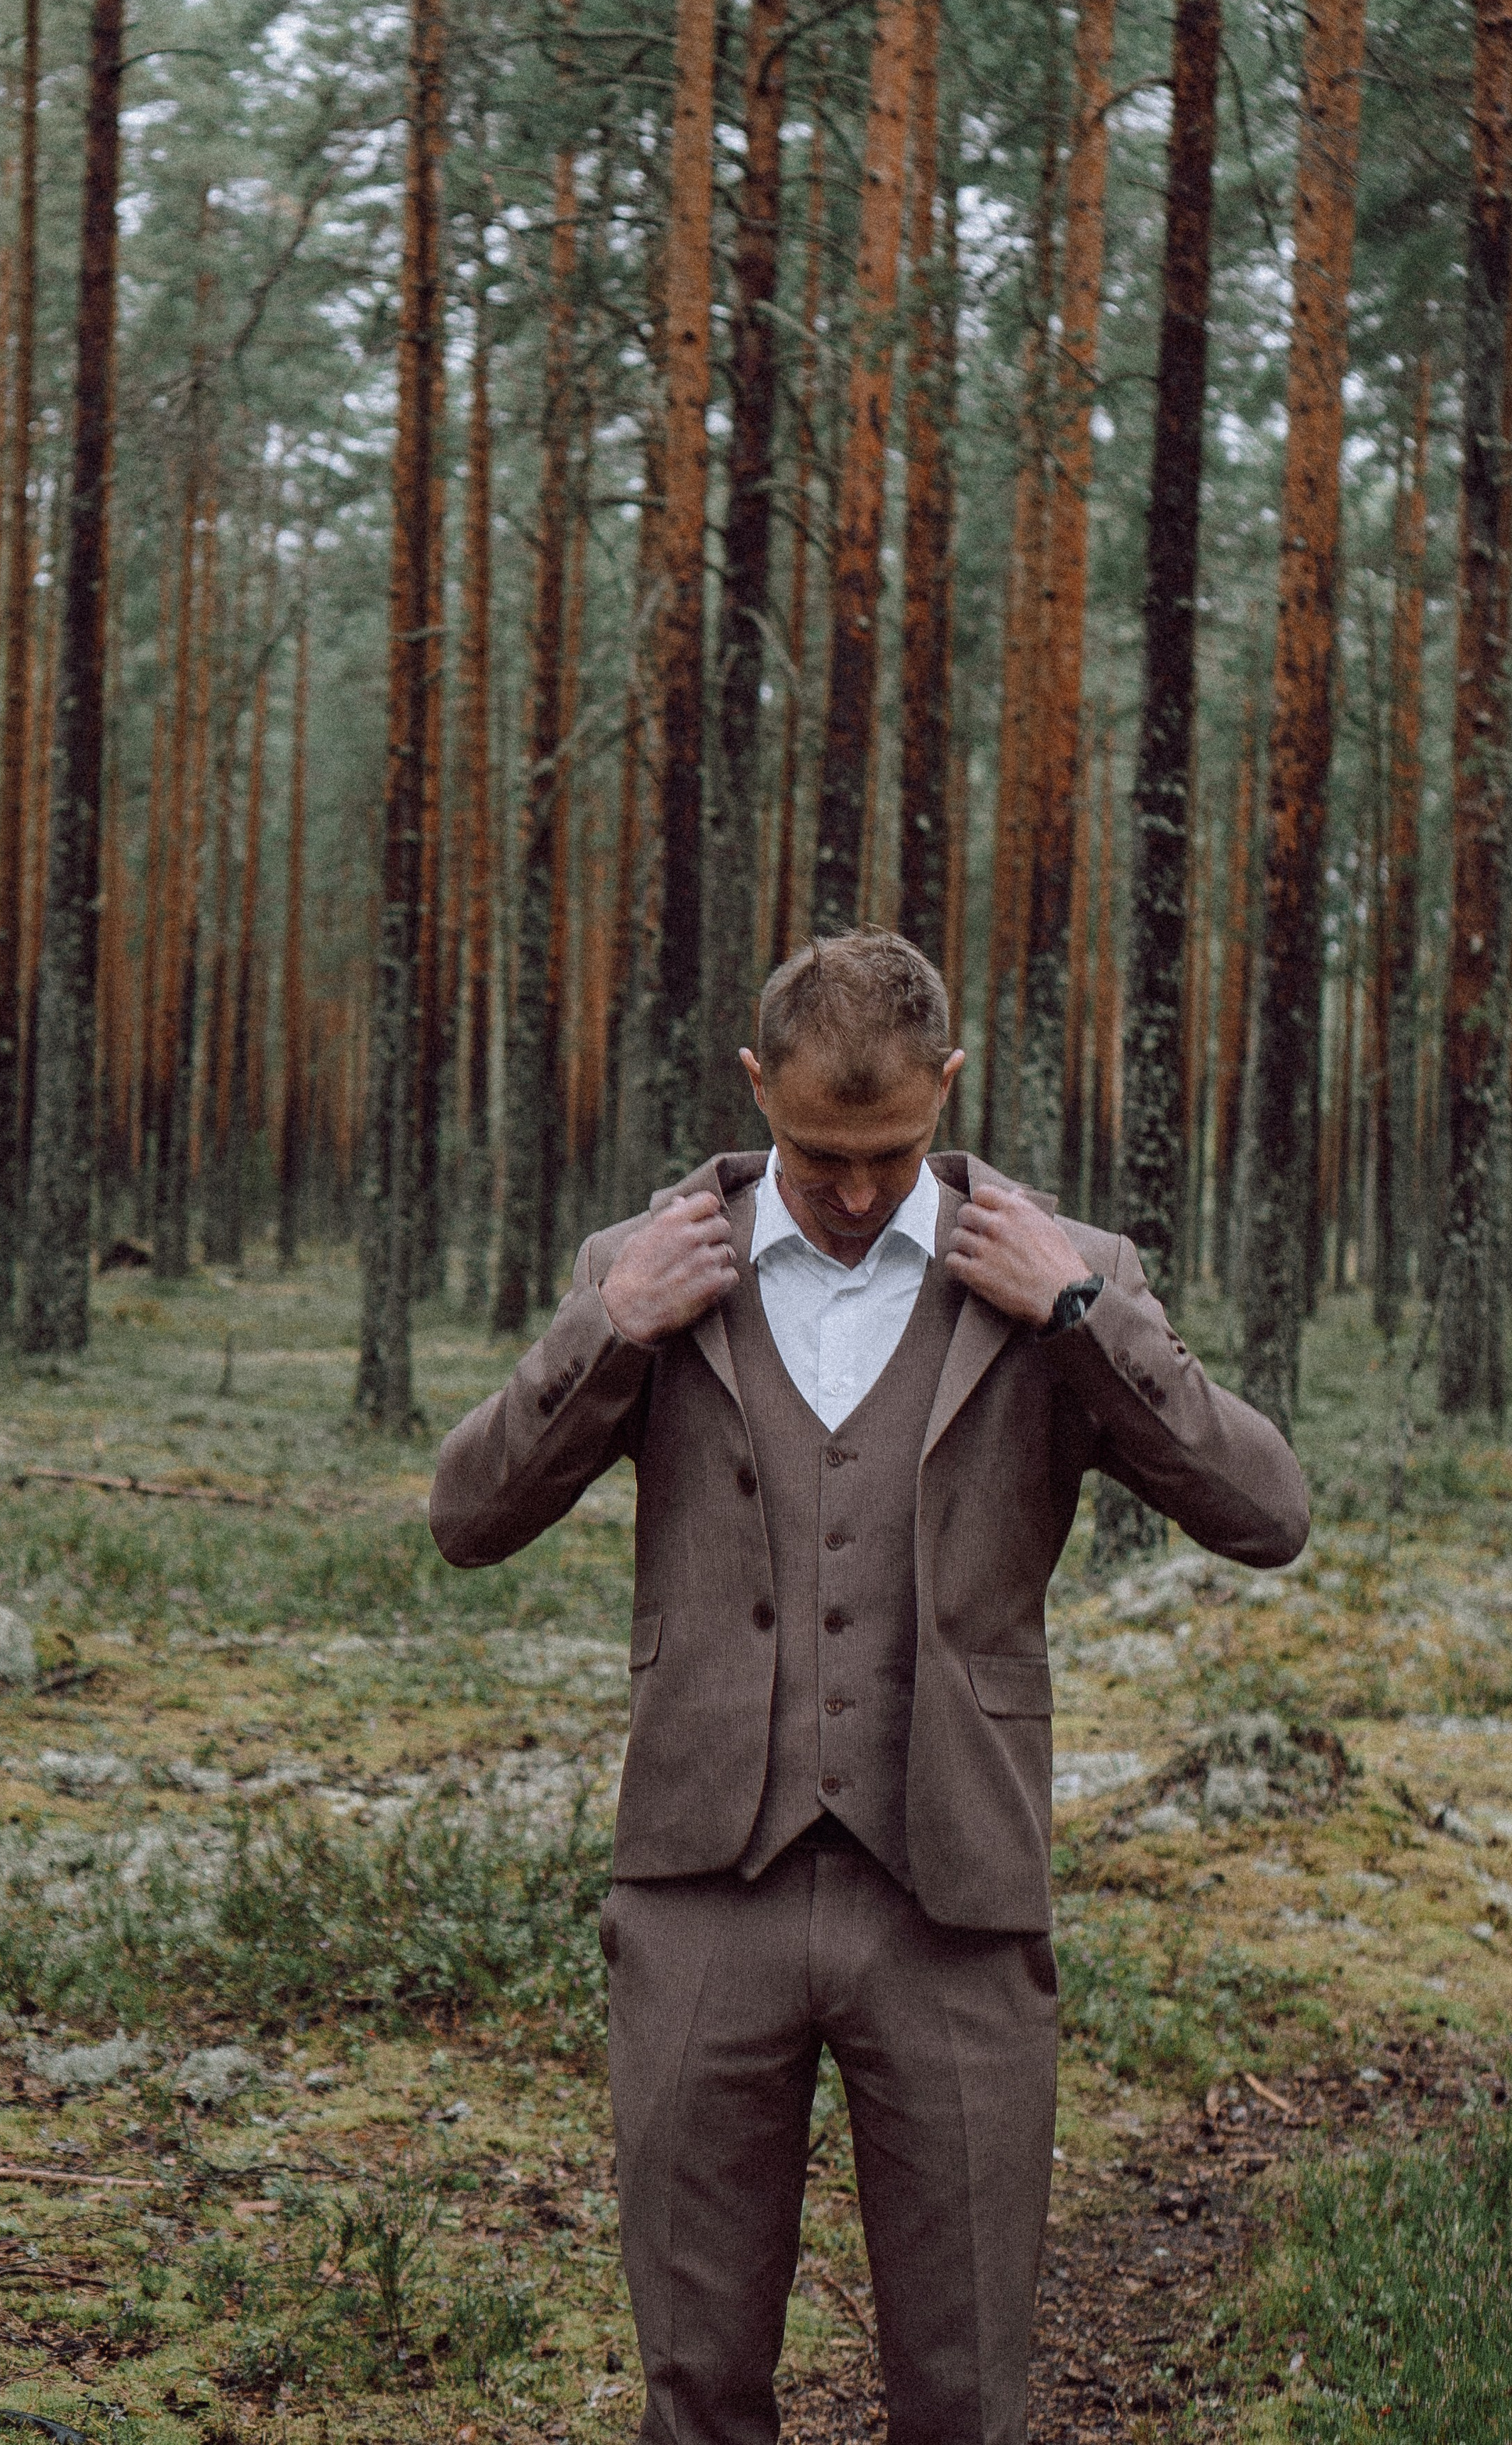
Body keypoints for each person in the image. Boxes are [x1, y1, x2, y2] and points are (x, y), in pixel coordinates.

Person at [429, 928, 1308, 2445]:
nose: (847, 1194)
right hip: (703, 1893)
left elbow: (1265, 1514)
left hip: (954, 1902)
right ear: (754, 1086)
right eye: (814, 1154)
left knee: (964, 2397)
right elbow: (466, 1519)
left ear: (948, 1088)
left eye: (889, 1155)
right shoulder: (643, 1269)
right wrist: (604, 1327)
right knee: (695, 2393)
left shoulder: (1065, 1277)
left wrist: (1086, 1322)